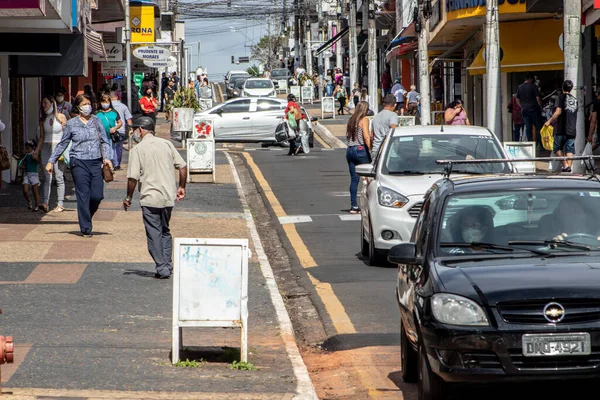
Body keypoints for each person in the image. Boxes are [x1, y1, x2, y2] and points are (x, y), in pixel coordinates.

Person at [124, 117, 187, 279]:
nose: (133, 133)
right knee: (165, 230)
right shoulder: (166, 144)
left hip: (149, 197)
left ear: (141, 130)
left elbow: (132, 178)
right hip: (168, 196)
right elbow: (183, 166)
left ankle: (162, 267)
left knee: (154, 233)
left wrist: (129, 197)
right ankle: (168, 263)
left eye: (135, 130)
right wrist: (181, 187)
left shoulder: (137, 150)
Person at [46, 94, 113, 237]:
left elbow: (105, 141)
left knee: (97, 195)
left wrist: (107, 158)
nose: (87, 106)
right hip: (79, 161)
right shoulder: (71, 123)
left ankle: (86, 214)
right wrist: (51, 160)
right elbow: (63, 143)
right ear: (78, 107)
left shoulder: (97, 121)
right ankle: (86, 227)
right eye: (84, 104)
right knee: (83, 195)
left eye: (89, 103)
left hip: (96, 162)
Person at [38, 95, 67, 213]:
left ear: (52, 103)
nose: (43, 106)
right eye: (42, 103)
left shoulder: (61, 116)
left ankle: (60, 203)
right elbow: (41, 137)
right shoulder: (43, 119)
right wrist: (36, 151)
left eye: (46, 103)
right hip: (46, 146)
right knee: (46, 177)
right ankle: (45, 202)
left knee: (59, 176)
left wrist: (64, 150)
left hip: (58, 147)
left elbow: (66, 134)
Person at [346, 101, 372, 214]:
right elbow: (366, 136)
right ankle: (371, 205)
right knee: (369, 178)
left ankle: (354, 206)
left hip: (350, 150)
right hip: (361, 150)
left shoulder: (351, 120)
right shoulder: (364, 120)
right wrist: (371, 149)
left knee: (354, 179)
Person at [545, 80, 577, 172]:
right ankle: (569, 168)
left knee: (557, 148)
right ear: (571, 88)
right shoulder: (575, 100)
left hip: (561, 128)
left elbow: (558, 112)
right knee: (570, 149)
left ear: (563, 87)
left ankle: (565, 165)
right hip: (572, 128)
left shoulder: (560, 97)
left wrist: (549, 121)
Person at [516, 72, 544, 147]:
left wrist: (521, 106)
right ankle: (540, 144)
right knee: (538, 126)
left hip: (524, 110)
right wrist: (540, 106)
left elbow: (517, 99)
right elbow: (538, 98)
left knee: (528, 126)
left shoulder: (520, 87)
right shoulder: (533, 87)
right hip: (534, 109)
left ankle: (530, 142)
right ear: (531, 79)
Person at [96, 93, 123, 166]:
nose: (105, 104)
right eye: (103, 102)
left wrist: (115, 128)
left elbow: (120, 123)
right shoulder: (97, 113)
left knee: (111, 154)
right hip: (100, 137)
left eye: (106, 102)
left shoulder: (114, 112)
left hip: (111, 137)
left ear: (109, 102)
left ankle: (111, 166)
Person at [110, 91, 133, 171]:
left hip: (110, 130)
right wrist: (131, 128)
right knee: (119, 147)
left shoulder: (108, 107)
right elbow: (128, 119)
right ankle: (117, 164)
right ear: (117, 97)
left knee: (111, 147)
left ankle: (114, 163)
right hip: (121, 130)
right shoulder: (123, 106)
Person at [371, 94, 399, 159]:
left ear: (384, 104)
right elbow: (394, 131)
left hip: (375, 150)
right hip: (388, 151)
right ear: (395, 105)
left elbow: (372, 136)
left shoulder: (376, 117)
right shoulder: (393, 115)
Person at [19, 139, 41, 211]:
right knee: (25, 190)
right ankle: (29, 201)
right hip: (26, 174)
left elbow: (39, 162)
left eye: (28, 148)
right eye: (26, 148)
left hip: (34, 174)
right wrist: (22, 166)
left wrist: (36, 158)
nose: (27, 150)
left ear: (33, 148)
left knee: (35, 191)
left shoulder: (35, 154)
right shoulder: (25, 155)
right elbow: (23, 163)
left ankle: (37, 205)